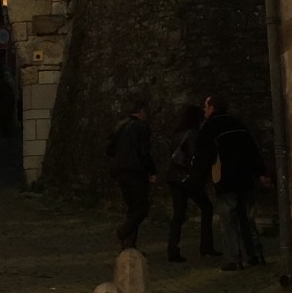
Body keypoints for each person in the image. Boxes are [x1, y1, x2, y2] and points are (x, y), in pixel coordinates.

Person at [198, 93, 271, 271]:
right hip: (244, 178)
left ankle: (234, 259)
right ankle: (255, 255)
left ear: (212, 108)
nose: (204, 110)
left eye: (206, 106)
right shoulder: (238, 124)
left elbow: (205, 154)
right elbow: (252, 150)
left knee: (229, 220)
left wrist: (204, 174)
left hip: (226, 180)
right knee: (247, 218)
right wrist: (261, 173)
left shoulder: (209, 127)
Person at [165, 103, 220, 262]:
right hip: (188, 178)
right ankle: (206, 245)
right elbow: (195, 157)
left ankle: (172, 249)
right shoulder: (194, 134)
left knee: (178, 214)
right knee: (207, 207)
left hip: (174, 177)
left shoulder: (178, 133)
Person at [108, 99, 157, 250]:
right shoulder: (141, 127)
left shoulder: (120, 126)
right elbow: (144, 152)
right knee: (141, 208)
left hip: (119, 171)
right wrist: (152, 171)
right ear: (141, 112)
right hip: (135, 172)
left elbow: (109, 149)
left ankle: (130, 245)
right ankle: (123, 232)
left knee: (133, 208)